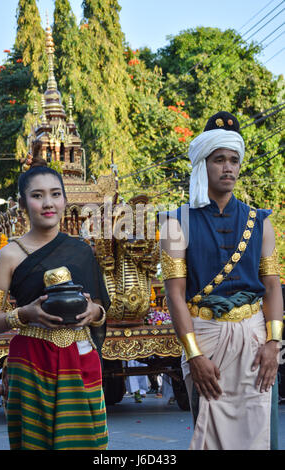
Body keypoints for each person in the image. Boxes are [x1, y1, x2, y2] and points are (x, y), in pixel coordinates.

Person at [159, 111, 283, 450]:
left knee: (261, 435)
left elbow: (272, 286)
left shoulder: (261, 221)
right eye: (219, 160)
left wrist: (274, 344)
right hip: (206, 339)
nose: (228, 168)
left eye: (233, 160)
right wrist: (194, 355)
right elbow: (175, 294)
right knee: (210, 435)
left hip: (256, 340)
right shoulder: (174, 222)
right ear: (203, 163)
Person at [0, 162, 110, 450]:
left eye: (55, 194)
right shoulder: (9, 256)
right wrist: (24, 315)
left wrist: (94, 313)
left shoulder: (82, 251)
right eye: (37, 195)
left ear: (65, 199)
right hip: (31, 360)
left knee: (85, 443)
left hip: (80, 359)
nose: (48, 203)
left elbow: (102, 310)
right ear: (21, 203)